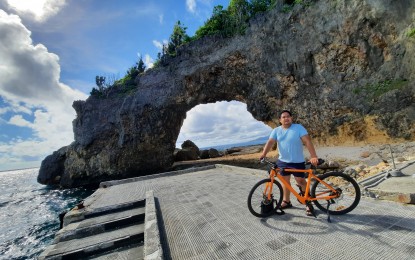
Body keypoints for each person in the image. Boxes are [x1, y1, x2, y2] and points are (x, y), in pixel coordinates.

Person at [260, 109, 319, 216]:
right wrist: (263, 154)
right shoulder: (276, 130)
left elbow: (307, 141)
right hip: (283, 161)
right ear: (280, 120)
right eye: (283, 117)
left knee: (301, 181)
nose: (286, 118)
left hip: (297, 161)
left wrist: (313, 156)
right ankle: (286, 201)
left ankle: (308, 203)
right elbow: (270, 142)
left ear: (291, 118)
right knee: (285, 182)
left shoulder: (298, 128)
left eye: (288, 116)